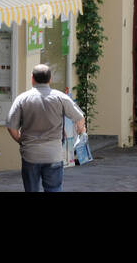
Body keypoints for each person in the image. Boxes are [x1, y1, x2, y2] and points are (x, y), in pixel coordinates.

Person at [6, 64, 85, 193]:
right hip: (53, 154)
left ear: (32, 78)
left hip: (30, 154)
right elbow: (79, 118)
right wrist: (80, 132)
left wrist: (21, 141)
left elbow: (11, 127)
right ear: (50, 79)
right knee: (54, 189)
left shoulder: (22, 99)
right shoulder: (61, 97)